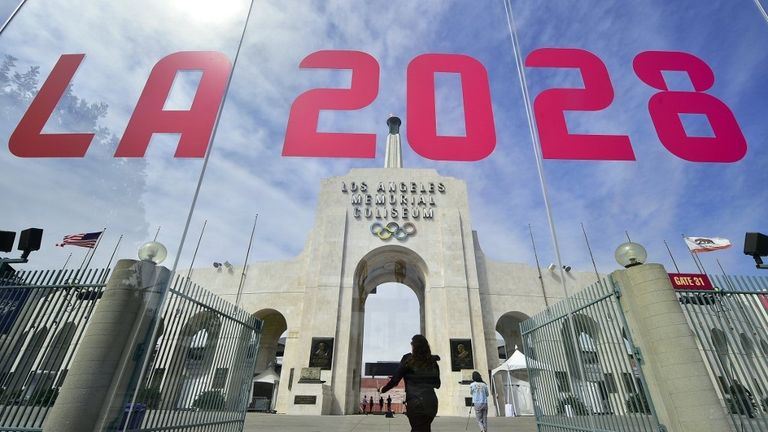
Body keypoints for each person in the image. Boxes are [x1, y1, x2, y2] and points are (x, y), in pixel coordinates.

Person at [380, 334, 441, 432]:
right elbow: (437, 384)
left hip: (416, 404)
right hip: (431, 403)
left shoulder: (407, 359)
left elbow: (395, 380)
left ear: (413, 346)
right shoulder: (432, 361)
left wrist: (383, 389)